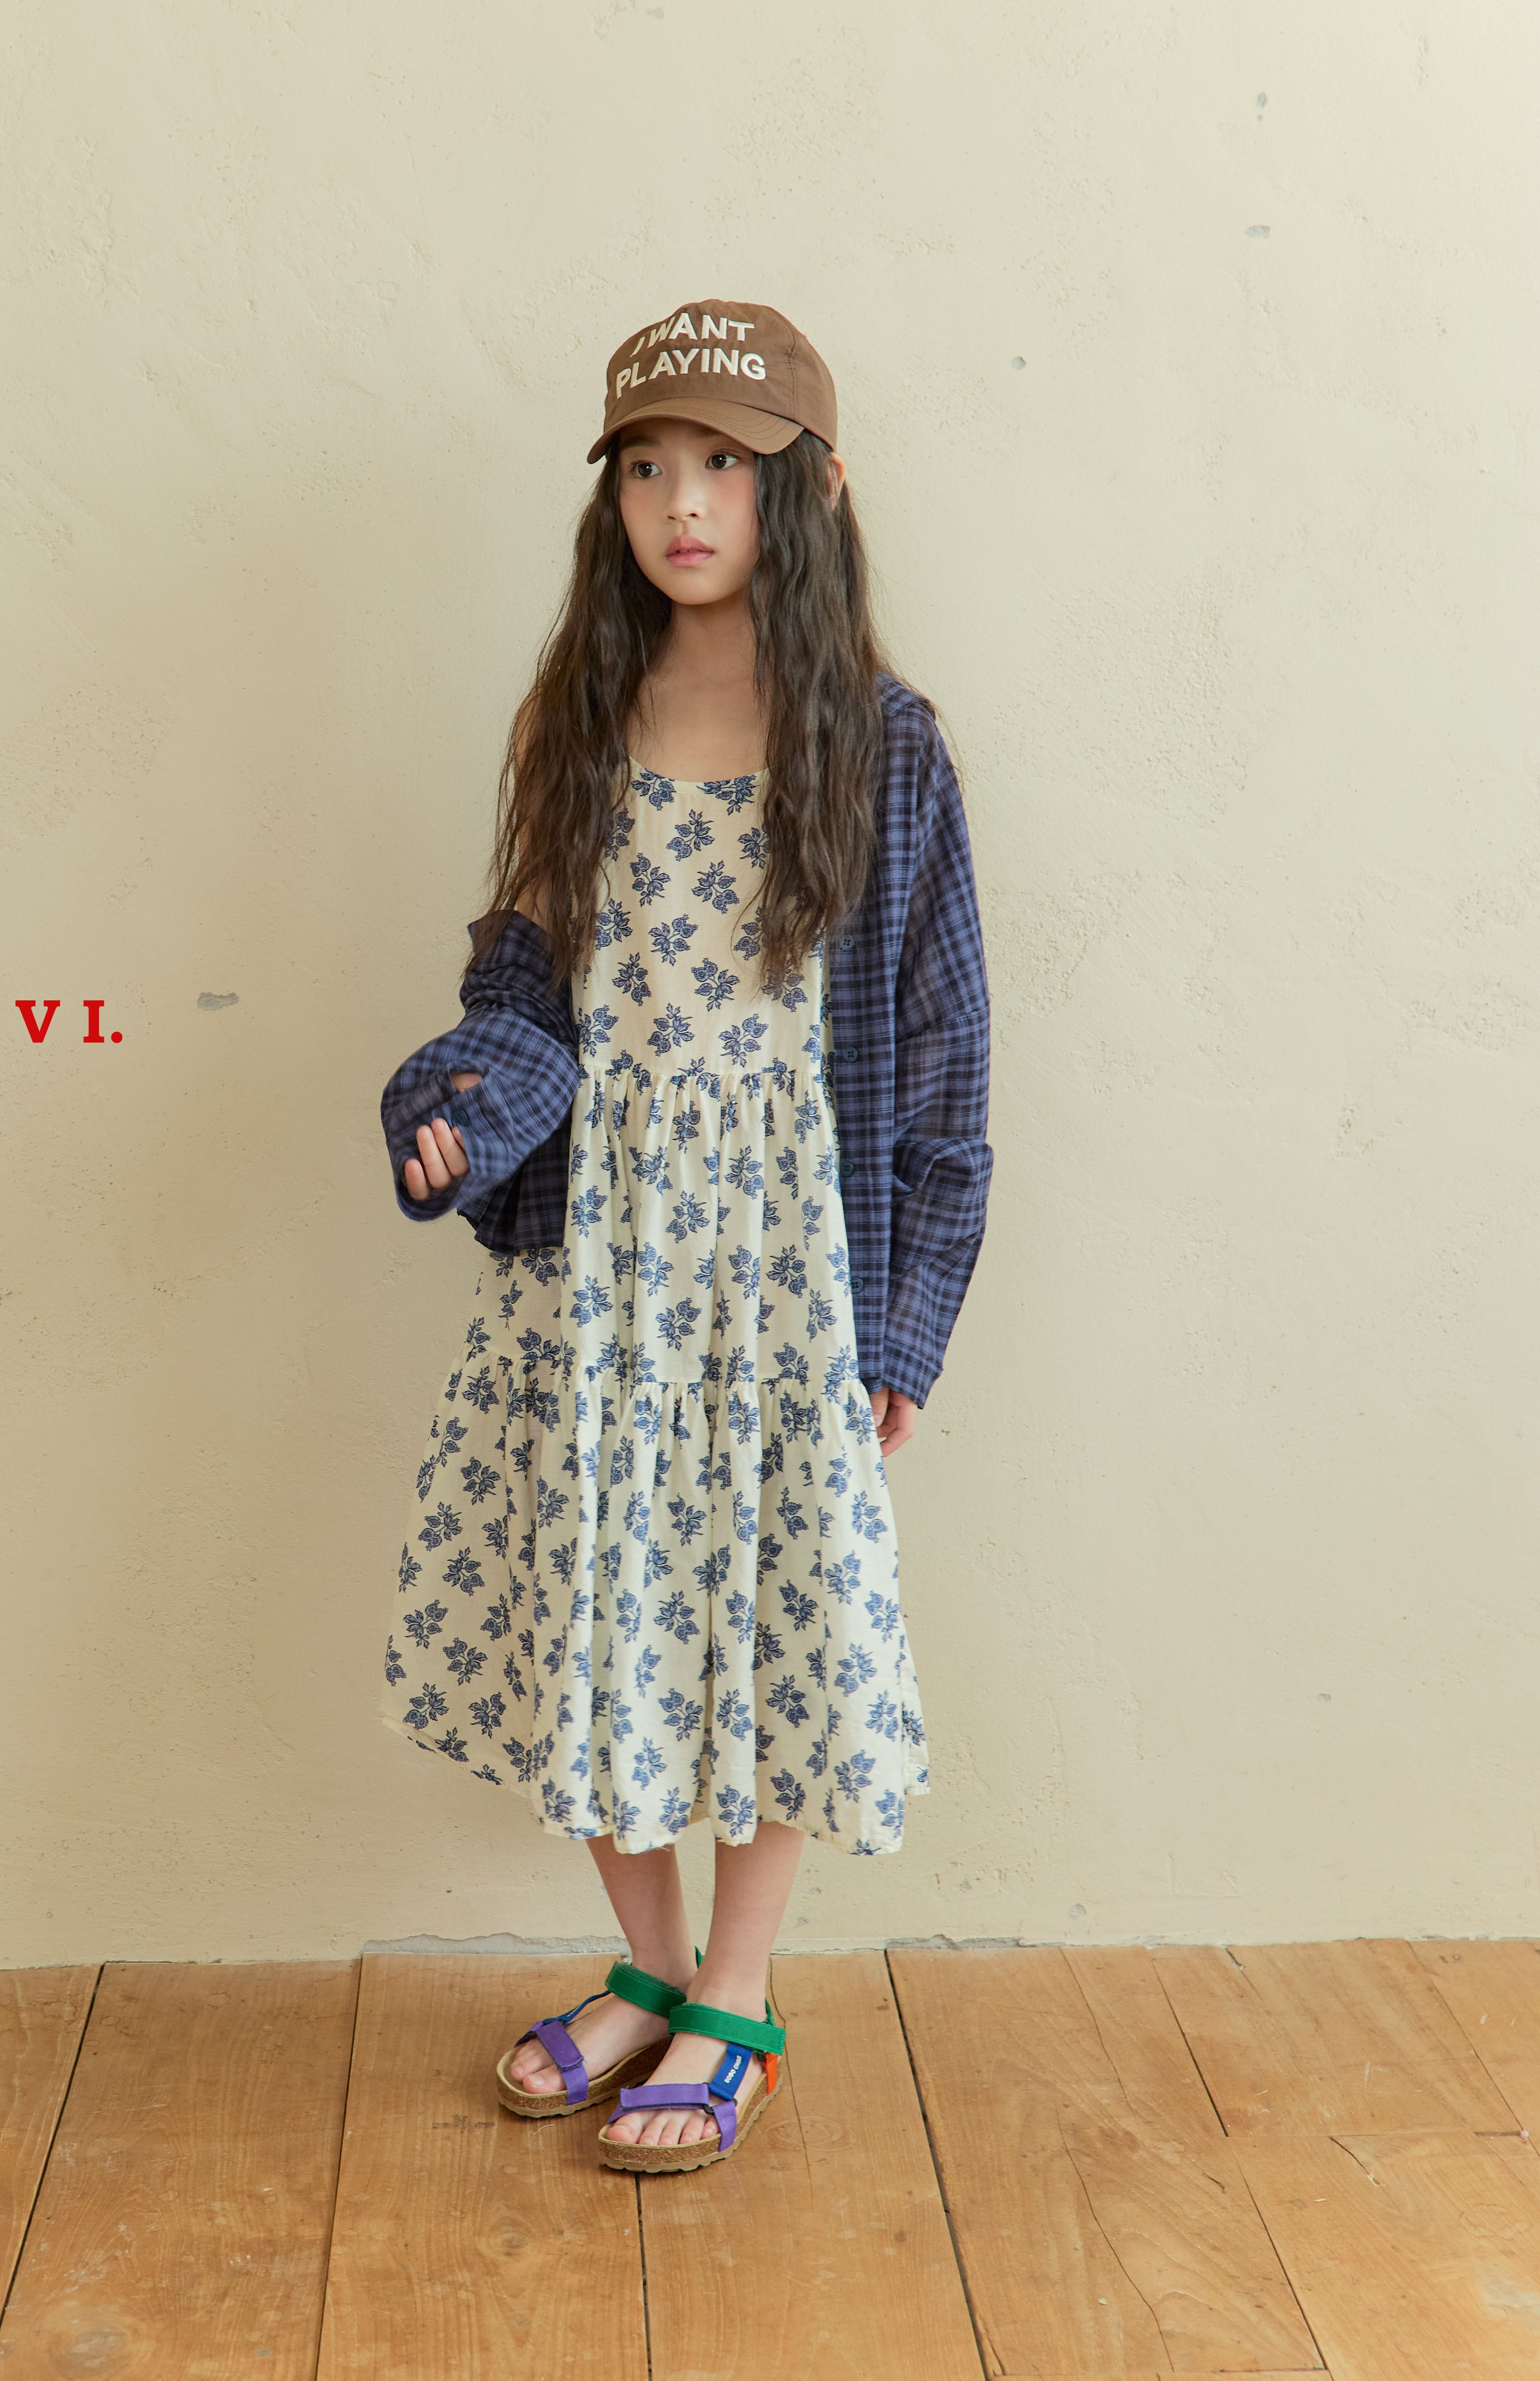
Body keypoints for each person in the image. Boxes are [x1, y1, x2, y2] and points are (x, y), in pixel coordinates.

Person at [377, 299, 993, 2175]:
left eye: (724, 462)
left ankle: (738, 1992)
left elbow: (941, 1065)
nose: (683, 503)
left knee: (779, 1612)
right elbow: (520, 987)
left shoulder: (884, 748)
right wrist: (456, 1109)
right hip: (602, 1264)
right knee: (594, 1596)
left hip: (788, 1268)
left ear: (812, 488)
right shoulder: (575, 721)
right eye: (647, 467)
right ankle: (649, 1971)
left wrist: (904, 1322)